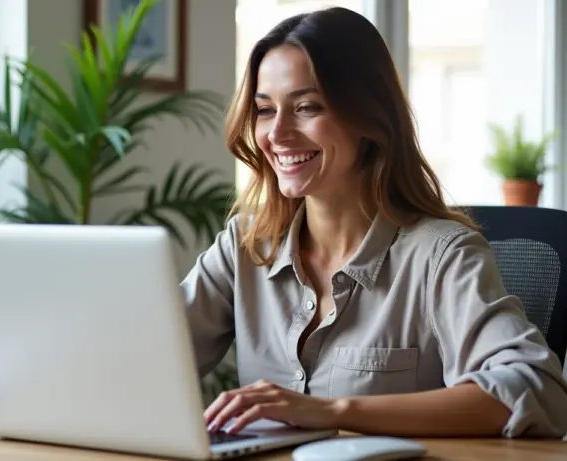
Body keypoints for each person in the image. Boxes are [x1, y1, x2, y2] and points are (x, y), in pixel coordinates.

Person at [180, 7, 567, 439]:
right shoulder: (245, 246)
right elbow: (143, 358)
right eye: (265, 110)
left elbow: (537, 388)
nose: (277, 133)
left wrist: (334, 411)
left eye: (307, 107)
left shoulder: (442, 255)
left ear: (369, 117)